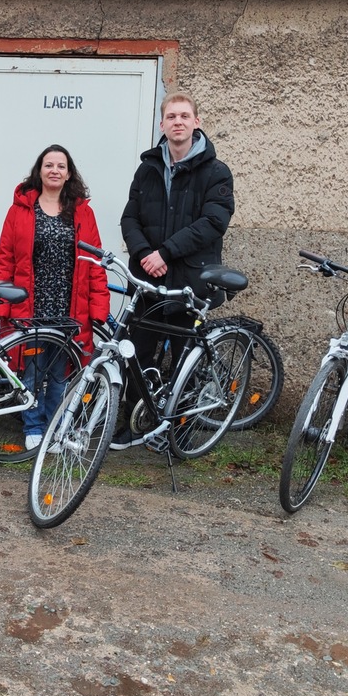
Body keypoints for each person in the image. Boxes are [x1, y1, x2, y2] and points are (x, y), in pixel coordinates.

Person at [114, 92, 235, 449]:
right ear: (163, 124)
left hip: (190, 279)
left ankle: (179, 428)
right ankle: (135, 423)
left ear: (196, 122)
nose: (177, 122)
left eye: (184, 116)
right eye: (171, 116)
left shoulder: (216, 171)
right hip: (148, 279)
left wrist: (166, 252)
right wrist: (144, 253)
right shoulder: (147, 168)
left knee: (185, 357)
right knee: (137, 352)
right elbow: (129, 217)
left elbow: (214, 222)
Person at [0, 144, 110, 450]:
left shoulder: (83, 212)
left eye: (61, 165)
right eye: (49, 165)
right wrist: (0, 300)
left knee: (59, 374)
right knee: (30, 372)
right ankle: (32, 427)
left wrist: (98, 308)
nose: (54, 170)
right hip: (30, 306)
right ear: (39, 171)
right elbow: (4, 257)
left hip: (68, 307)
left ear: (69, 173)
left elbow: (95, 265)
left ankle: (55, 427)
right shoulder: (20, 210)